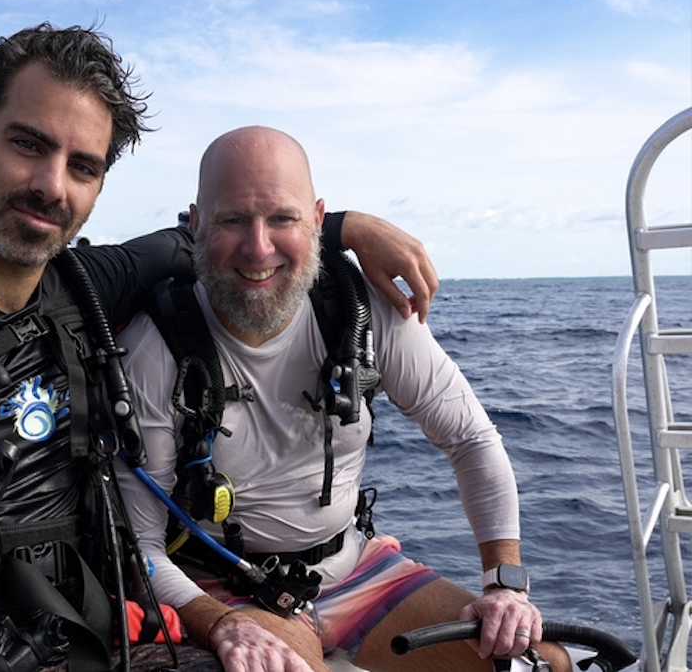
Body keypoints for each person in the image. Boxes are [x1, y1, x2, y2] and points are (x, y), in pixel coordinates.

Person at [0, 25, 438, 672]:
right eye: (27, 143)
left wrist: (343, 227)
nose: (49, 186)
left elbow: (213, 242)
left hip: (91, 638)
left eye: (82, 165)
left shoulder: (81, 286)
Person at [114, 125, 571, 672]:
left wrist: (505, 585)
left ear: (316, 219)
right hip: (226, 582)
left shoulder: (358, 310)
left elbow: (470, 438)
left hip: (355, 567)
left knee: (541, 663)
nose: (259, 247)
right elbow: (142, 543)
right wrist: (221, 622)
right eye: (233, 220)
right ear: (195, 224)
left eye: (282, 218)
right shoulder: (153, 344)